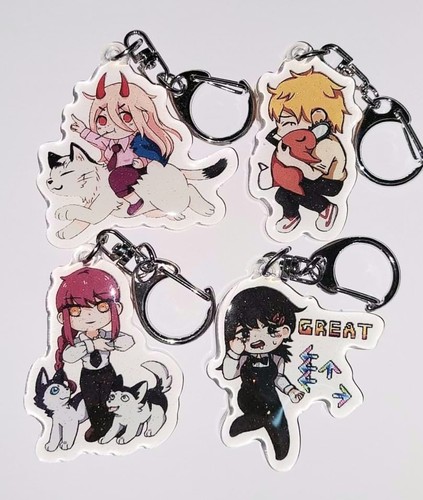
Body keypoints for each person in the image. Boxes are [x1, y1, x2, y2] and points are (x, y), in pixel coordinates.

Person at [222, 286, 304, 461]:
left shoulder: (276, 359)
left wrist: (291, 390)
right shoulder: (243, 358)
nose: (257, 338)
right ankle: (240, 424)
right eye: (246, 333)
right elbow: (228, 374)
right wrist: (234, 353)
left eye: (270, 330)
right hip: (249, 398)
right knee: (262, 418)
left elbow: (279, 378)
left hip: (272, 398)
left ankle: (283, 454)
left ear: (284, 332)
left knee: (279, 422)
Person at [54, 267, 134, 442]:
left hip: (107, 372)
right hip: (88, 375)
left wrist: (110, 343)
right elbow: (69, 356)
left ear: (117, 308)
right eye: (76, 310)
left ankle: (113, 425)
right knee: (91, 402)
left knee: (109, 398)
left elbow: (128, 342)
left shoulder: (107, 335)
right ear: (62, 317)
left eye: (101, 307)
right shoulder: (78, 341)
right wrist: (92, 345)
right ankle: (97, 426)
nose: (90, 314)